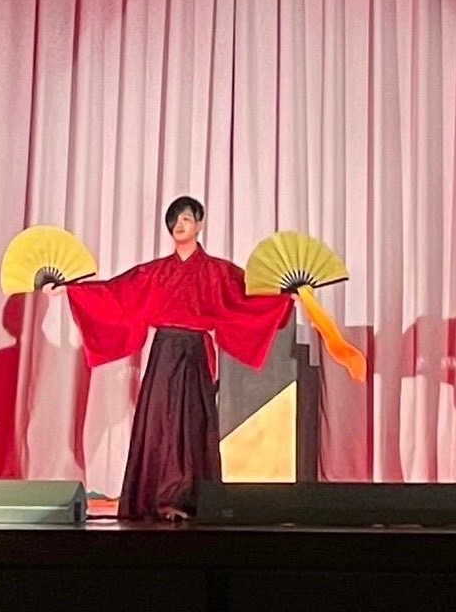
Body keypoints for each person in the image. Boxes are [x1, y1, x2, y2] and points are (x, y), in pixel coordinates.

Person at [46, 196, 294, 521]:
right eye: (174, 220)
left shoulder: (218, 272)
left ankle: (190, 499)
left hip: (195, 352)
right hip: (164, 352)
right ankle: (155, 498)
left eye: (186, 218)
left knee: (192, 423)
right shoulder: (156, 272)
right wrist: (71, 290)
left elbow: (248, 296)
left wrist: (283, 298)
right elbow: (116, 292)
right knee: (160, 421)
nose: (179, 225)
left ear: (200, 224)